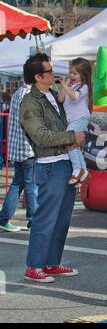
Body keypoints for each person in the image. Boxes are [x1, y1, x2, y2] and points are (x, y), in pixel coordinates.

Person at [20, 52, 85, 283]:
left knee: (62, 218)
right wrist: (72, 136)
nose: (54, 73)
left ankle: (51, 262)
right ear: (38, 77)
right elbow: (40, 136)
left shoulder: (52, 96)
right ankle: (34, 266)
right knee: (46, 218)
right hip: (50, 164)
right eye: (49, 71)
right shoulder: (30, 101)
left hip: (64, 162)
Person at [0, 84, 37, 232]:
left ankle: (3, 218)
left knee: (17, 184)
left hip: (18, 148)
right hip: (30, 149)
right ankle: (33, 221)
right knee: (32, 186)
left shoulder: (18, 93)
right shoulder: (31, 95)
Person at [58, 58, 92, 187]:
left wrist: (66, 86)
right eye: (70, 72)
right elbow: (61, 99)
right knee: (74, 145)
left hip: (80, 118)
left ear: (83, 75)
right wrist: (65, 84)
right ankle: (83, 172)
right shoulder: (70, 86)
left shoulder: (84, 87)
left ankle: (77, 169)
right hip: (73, 119)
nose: (71, 75)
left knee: (68, 139)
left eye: (74, 73)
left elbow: (74, 97)